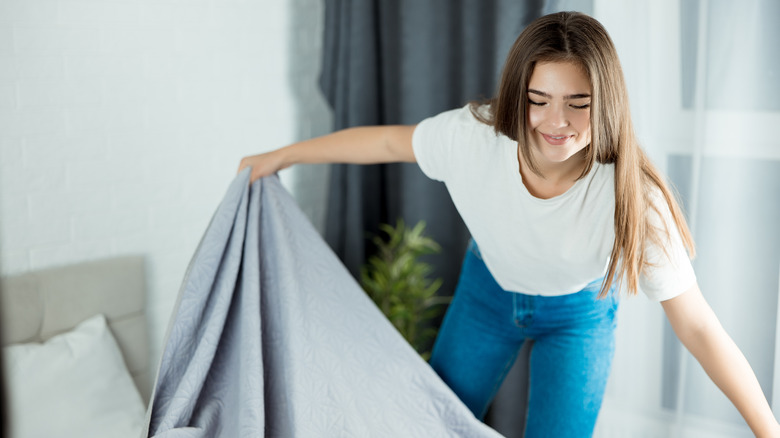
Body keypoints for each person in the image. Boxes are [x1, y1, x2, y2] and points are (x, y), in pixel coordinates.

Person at [238, 11, 779, 438]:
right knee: (434, 422)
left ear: (608, 104)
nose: (555, 122)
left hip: (578, 316)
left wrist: (768, 430)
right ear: (518, 94)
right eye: (538, 100)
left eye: (578, 103)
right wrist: (282, 156)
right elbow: (386, 142)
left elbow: (699, 327)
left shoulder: (635, 200)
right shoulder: (474, 138)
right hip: (487, 294)